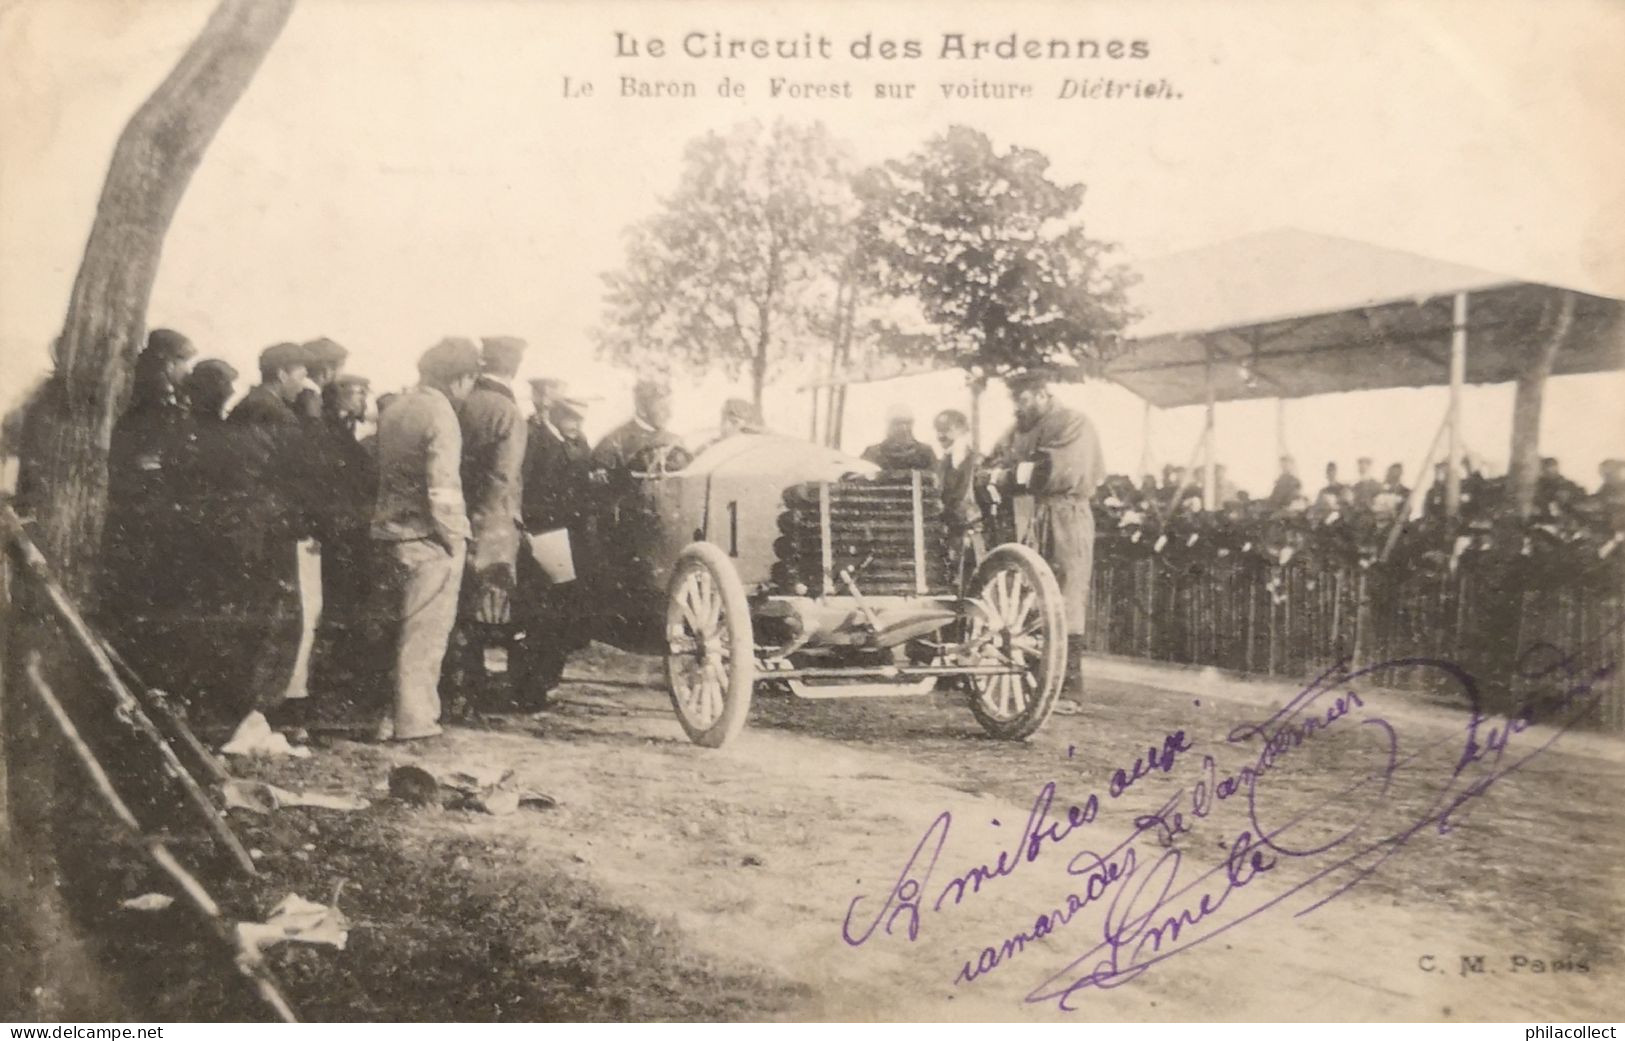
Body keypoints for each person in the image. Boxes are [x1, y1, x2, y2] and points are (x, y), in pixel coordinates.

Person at [370, 337, 480, 741]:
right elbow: (443, 487)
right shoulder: (441, 414)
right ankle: (415, 720)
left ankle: (383, 718)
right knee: (425, 635)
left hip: (386, 532)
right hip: (427, 537)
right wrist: (456, 538)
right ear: (461, 378)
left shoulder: (396, 408)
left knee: (389, 633)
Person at [985, 371, 1106, 707]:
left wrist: (1008, 476)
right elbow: (991, 464)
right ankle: (1035, 684)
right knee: (1028, 596)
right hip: (1028, 516)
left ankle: (1068, 688)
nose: (1016, 409)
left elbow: (1050, 469)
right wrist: (1007, 475)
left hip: (1066, 516)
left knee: (1066, 592)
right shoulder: (1017, 430)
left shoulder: (1072, 422)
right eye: (1014, 401)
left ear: (1042, 394)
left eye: (1022, 400)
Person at [226, 341, 319, 735]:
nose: (303, 382)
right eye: (300, 374)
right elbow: (299, 471)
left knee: (258, 617)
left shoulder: (244, 409)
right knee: (278, 619)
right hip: (267, 528)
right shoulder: (276, 413)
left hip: (248, 526)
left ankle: (253, 709)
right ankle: (261, 711)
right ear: (282, 373)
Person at [102, 328, 197, 694]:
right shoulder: (151, 401)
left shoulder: (164, 399)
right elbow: (146, 460)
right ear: (164, 362)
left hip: (154, 509)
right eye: (181, 361)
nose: (185, 370)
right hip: (147, 514)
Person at [448, 335, 529, 707]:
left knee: (456, 604)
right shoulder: (506, 409)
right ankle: (471, 688)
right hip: (490, 518)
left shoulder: (458, 401)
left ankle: (457, 684)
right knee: (485, 604)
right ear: (513, 365)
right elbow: (504, 476)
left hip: (453, 511)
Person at [517, 381, 602, 701]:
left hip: (570, 537)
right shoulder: (535, 440)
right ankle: (529, 686)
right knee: (540, 613)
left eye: (580, 421)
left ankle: (547, 678)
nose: (576, 427)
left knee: (560, 611)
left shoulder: (579, 444)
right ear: (555, 414)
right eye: (571, 420)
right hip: (543, 533)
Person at [308, 373, 380, 710]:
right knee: (337, 607)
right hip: (339, 533)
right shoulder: (328, 434)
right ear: (338, 397)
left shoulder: (351, 432)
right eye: (357, 392)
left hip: (350, 532)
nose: (363, 398)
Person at [933, 409, 983, 575]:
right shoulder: (945, 460)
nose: (941, 436)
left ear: (961, 429)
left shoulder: (974, 460)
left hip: (968, 530)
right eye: (938, 430)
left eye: (946, 430)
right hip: (951, 529)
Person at [862, 403, 936, 472]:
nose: (904, 428)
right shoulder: (873, 453)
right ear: (889, 426)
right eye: (898, 423)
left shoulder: (925, 453)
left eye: (908, 423)